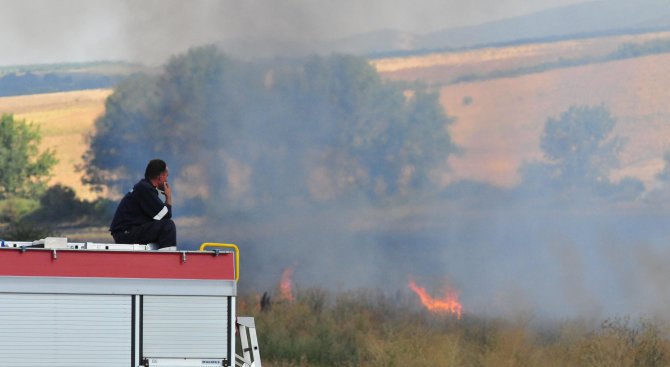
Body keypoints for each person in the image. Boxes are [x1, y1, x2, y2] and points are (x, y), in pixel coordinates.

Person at [110, 159, 176, 248]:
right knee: (168, 226)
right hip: (125, 233)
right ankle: (167, 260)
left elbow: (159, 217)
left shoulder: (144, 188)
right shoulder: (145, 189)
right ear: (160, 176)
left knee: (162, 226)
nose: (166, 180)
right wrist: (168, 196)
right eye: (166, 176)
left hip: (128, 232)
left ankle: (156, 259)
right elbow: (166, 215)